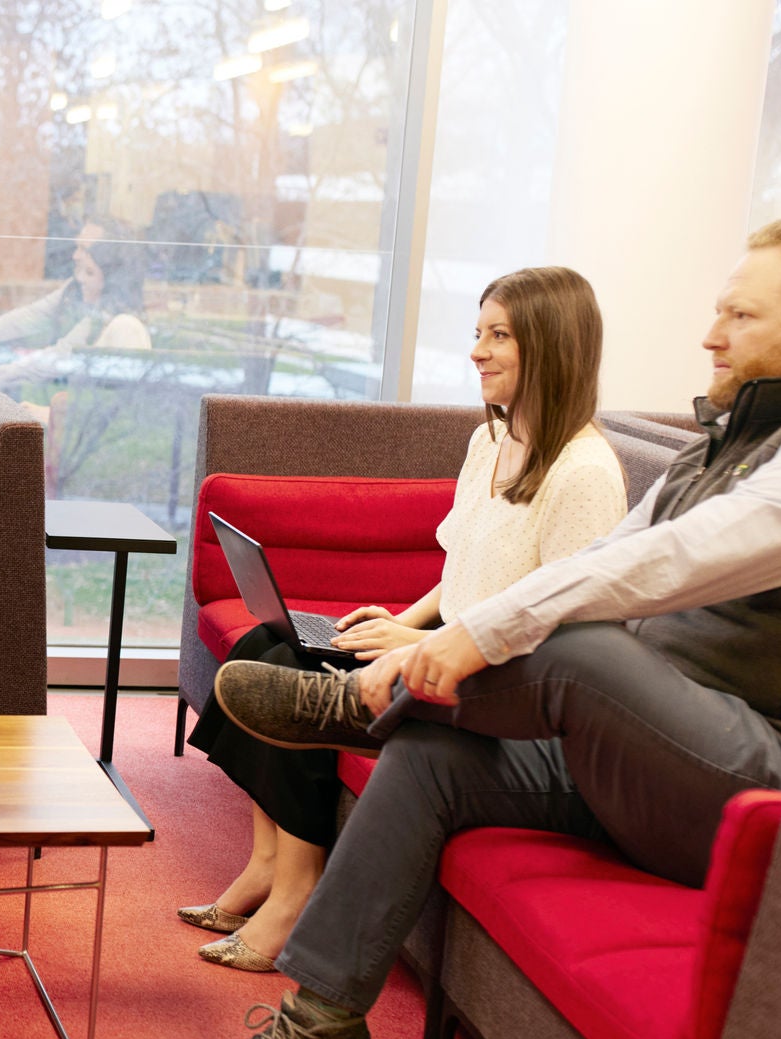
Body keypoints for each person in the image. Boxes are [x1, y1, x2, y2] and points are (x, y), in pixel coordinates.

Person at [170, 218, 781, 1039]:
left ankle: (361, 706)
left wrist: (461, 644)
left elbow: (674, 561)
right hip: (663, 765)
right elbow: (612, 554)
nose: (711, 335)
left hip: (769, 794)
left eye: (740, 316)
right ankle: (321, 1029)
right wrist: (450, 636)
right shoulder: (729, 438)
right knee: (433, 760)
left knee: (576, 651)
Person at [180, 266, 627, 971]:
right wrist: (399, 621)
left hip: (493, 681)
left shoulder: (585, 474)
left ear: (551, 343)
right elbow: (460, 571)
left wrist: (420, 644)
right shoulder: (490, 442)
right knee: (270, 640)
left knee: (294, 670)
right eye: (478, 333)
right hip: (440, 644)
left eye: (499, 336)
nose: (477, 352)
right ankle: (266, 861)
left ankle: (295, 893)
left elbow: (563, 632)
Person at [0, 217, 151, 394]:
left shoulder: (119, 321)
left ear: (108, 261)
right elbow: (25, 318)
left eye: (84, 249)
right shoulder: (76, 290)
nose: (75, 255)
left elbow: (57, 357)